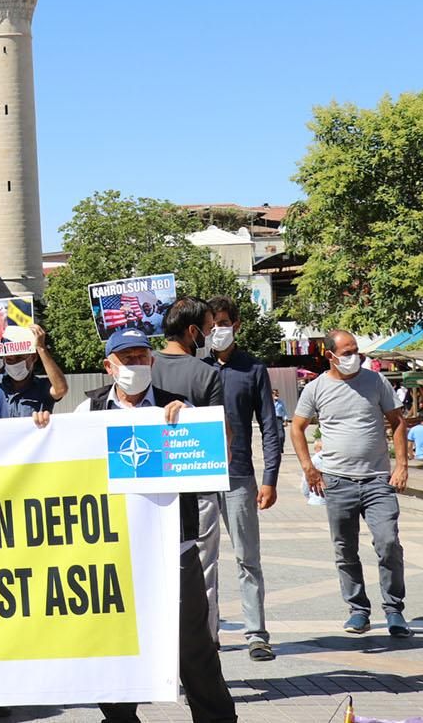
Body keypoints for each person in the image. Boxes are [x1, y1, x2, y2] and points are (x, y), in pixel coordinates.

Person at [70, 327, 237, 723]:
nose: (135, 365)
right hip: (115, 556)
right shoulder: (88, 413)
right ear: (108, 366)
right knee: (117, 649)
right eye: (126, 359)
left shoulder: (176, 410)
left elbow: (219, 457)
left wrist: (191, 426)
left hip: (174, 553)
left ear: (153, 361)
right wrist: (43, 428)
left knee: (194, 650)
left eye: (141, 357)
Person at [291, 330, 412, 638]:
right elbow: (297, 427)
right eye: (346, 352)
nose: (353, 357)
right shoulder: (316, 388)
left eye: (355, 351)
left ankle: (394, 608)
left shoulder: (375, 381)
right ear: (330, 355)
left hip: (377, 481)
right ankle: (358, 610)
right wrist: (308, 468)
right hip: (337, 481)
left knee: (388, 543)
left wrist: (401, 465)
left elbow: (397, 421)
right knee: (345, 549)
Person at [203, 295, 282, 661]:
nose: (215, 330)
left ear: (235, 325)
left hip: (238, 476)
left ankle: (256, 633)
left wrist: (270, 477)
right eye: (210, 324)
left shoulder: (252, 368)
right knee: (202, 561)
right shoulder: (195, 367)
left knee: (247, 557)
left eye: (222, 323)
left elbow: (269, 425)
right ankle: (206, 634)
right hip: (198, 476)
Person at [149, 296, 226, 643]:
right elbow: (218, 435)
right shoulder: (208, 374)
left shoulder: (143, 367)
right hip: (197, 489)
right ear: (193, 331)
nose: (211, 335)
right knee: (202, 575)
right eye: (209, 329)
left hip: (147, 486)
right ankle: (203, 657)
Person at [0, 324, 68, 417]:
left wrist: (41, 348)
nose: (15, 364)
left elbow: (61, 389)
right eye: (10, 360)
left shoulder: (42, 387)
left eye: (19, 358)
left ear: (33, 357)